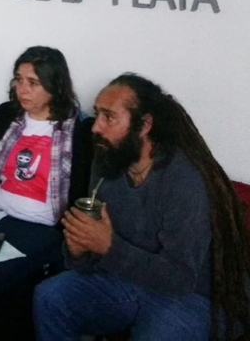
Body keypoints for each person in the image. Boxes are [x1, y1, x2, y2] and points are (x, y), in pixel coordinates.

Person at [33, 74, 250, 340]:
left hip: (190, 295)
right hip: (125, 278)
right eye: (97, 114)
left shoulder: (184, 180)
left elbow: (180, 278)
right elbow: (91, 257)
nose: (96, 127)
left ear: (144, 124)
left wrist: (107, 246)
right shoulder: (106, 162)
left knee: (158, 334)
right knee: (51, 296)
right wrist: (79, 250)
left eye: (109, 117)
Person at [0, 46, 93, 226]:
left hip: (42, 227)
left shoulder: (79, 129)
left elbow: (82, 194)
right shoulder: (5, 114)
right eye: (19, 80)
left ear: (54, 86)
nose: (22, 90)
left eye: (33, 83)